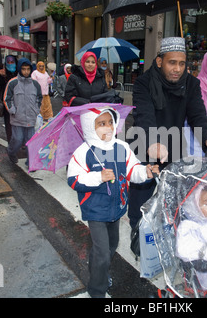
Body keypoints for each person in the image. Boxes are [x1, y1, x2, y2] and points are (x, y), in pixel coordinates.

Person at [128, 37, 207, 229]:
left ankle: (170, 238)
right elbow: (144, 115)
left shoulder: (191, 84)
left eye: (181, 64)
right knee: (141, 198)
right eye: (172, 63)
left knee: (175, 197)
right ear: (159, 61)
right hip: (145, 141)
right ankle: (138, 237)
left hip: (174, 144)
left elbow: (198, 114)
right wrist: (152, 143)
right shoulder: (143, 82)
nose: (177, 69)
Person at [66, 106, 159, 298]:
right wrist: (97, 177)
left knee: (112, 245)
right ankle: (97, 289)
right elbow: (73, 179)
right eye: (101, 124)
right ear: (90, 127)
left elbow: (132, 170)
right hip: (95, 211)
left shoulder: (121, 147)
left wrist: (145, 172)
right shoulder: (84, 151)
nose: (108, 127)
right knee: (101, 251)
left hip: (117, 208)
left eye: (110, 122)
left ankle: (98, 271)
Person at [3, 58, 42, 165]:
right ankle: (11, 152)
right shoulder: (13, 83)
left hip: (31, 118)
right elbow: (7, 98)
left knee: (30, 141)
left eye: (28, 69)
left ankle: (30, 162)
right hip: (17, 118)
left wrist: (36, 110)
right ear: (20, 69)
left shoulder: (35, 84)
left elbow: (39, 98)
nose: (26, 71)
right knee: (18, 139)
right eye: (23, 69)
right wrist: (13, 110)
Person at [0, 55, 18, 142]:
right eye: (9, 62)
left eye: (12, 62)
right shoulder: (1, 73)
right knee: (9, 123)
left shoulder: (19, 72)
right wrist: (1, 76)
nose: (11, 64)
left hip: (19, 102)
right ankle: (11, 141)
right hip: (7, 103)